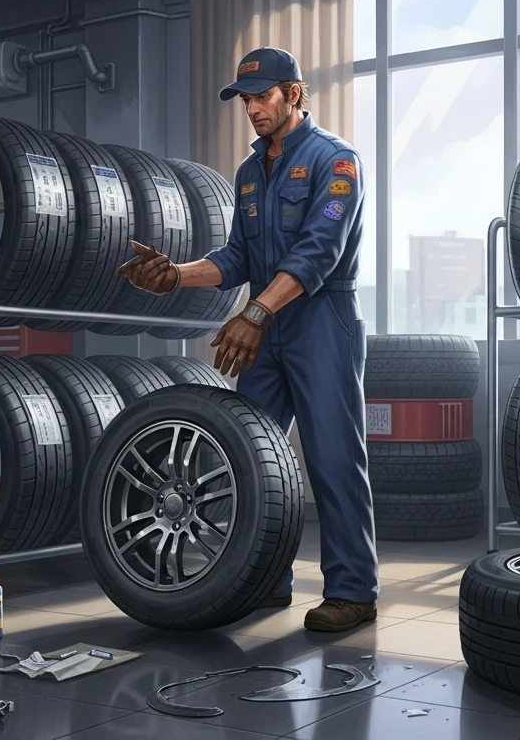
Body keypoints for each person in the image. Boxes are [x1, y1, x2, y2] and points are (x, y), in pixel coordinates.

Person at [117, 47, 378, 632]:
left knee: (333, 458)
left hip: (321, 322)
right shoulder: (248, 171)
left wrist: (255, 313)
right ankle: (267, 580)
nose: (253, 109)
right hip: (268, 323)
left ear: (295, 93)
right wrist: (176, 275)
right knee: (252, 458)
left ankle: (353, 590)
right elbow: (238, 256)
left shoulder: (338, 162)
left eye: (263, 96)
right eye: (245, 99)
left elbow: (319, 252)